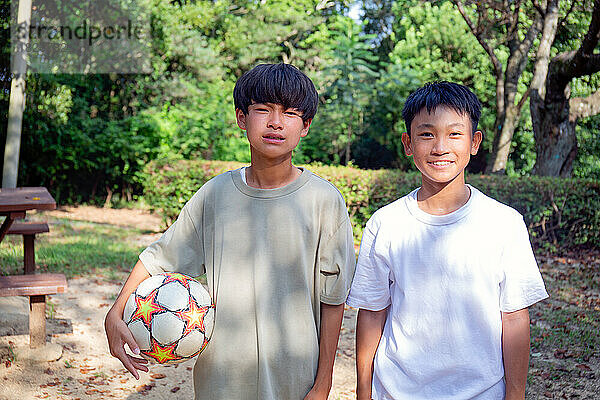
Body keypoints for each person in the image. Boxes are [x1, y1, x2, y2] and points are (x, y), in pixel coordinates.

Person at [104, 63, 356, 400]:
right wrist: (115, 310)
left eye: (290, 113)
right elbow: (161, 257)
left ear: (305, 125)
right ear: (241, 118)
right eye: (262, 110)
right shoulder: (215, 194)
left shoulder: (324, 201)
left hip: (295, 379)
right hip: (222, 381)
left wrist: (323, 383)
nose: (275, 122)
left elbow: (333, 299)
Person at [347, 81, 548, 400]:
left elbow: (514, 317)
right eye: (426, 134)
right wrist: (363, 390)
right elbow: (372, 312)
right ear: (408, 143)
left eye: (454, 133)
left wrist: (516, 393)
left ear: (474, 141)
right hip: (397, 391)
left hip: (482, 392)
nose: (440, 147)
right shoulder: (385, 223)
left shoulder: (504, 223)